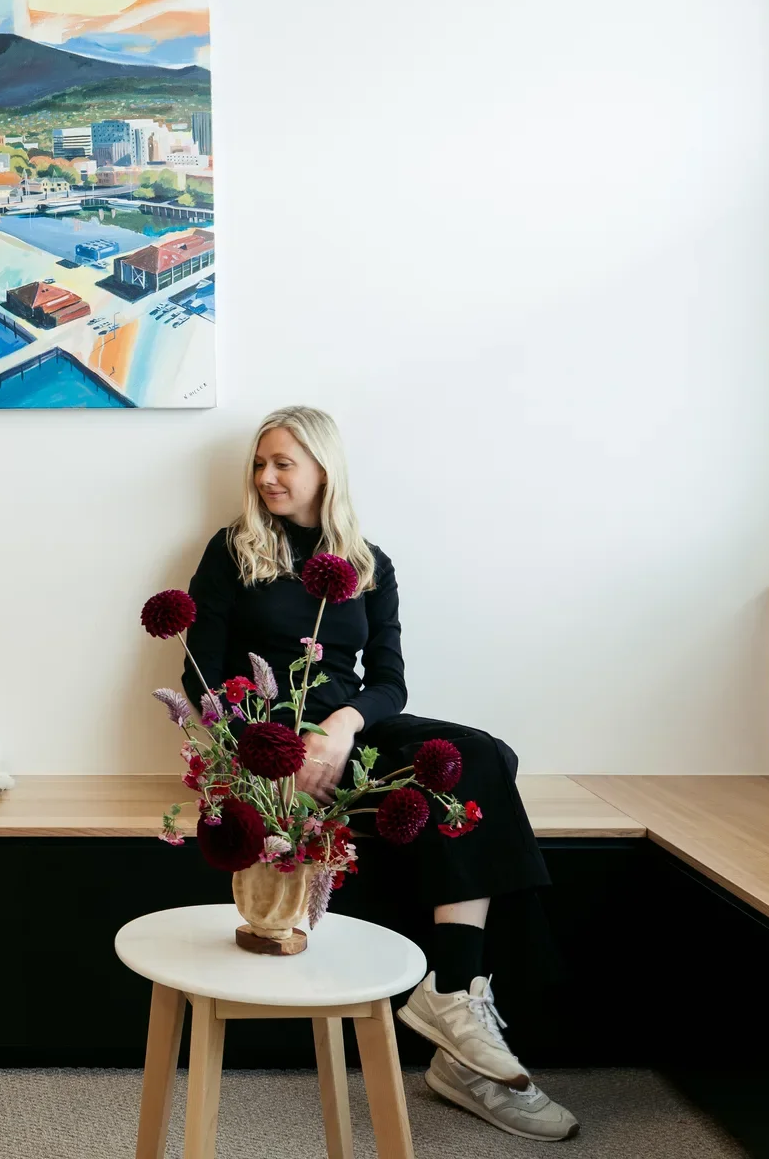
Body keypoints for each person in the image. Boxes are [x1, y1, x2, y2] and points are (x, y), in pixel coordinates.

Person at [183, 406, 577, 1143]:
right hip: (270, 743)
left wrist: (340, 728)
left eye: (283, 463)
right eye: (260, 464)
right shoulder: (233, 551)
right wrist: (278, 755)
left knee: (484, 757)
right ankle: (466, 1028)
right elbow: (199, 674)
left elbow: (390, 681)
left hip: (355, 734)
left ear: (323, 470)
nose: (266, 477)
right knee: (477, 788)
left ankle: (451, 997)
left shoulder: (369, 562)